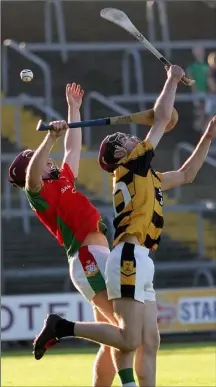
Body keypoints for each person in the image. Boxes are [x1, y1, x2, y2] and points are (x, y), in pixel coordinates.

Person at [8, 82, 177, 387]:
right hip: (87, 259)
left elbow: (72, 148)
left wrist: (73, 109)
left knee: (112, 339)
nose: (47, 160)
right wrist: (49, 138)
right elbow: (33, 174)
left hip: (99, 257)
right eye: (39, 158)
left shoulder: (62, 179)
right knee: (127, 335)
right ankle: (61, 327)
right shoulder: (39, 193)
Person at [187, 45, 210, 130]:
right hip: (198, 93)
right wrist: (195, 93)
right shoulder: (191, 67)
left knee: (208, 114)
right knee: (200, 114)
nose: (199, 53)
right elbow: (191, 81)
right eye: (196, 51)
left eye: (200, 50)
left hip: (208, 93)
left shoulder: (208, 65)